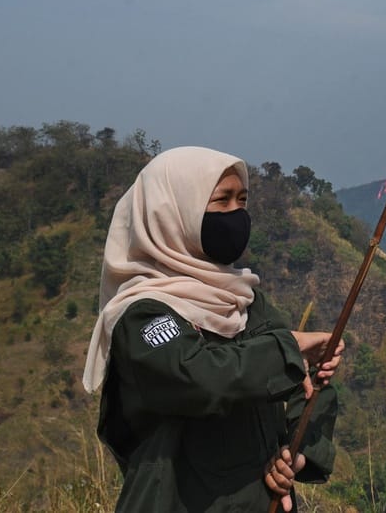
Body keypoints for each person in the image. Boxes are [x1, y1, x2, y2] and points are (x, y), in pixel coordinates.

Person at [82, 146, 345, 512]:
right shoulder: (143, 315)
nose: (236, 214)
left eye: (242, 200)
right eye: (222, 201)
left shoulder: (244, 302)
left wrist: (294, 454)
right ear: (174, 214)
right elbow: (202, 378)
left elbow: (303, 385)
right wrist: (291, 348)